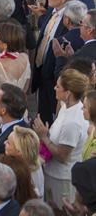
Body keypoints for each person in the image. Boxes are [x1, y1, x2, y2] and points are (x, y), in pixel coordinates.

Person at [33, 68, 89, 206]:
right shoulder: (66, 106)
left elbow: (62, 156)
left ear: (68, 93)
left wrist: (44, 136)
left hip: (61, 180)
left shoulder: (73, 122)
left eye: (58, 86)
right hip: (52, 174)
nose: (54, 88)